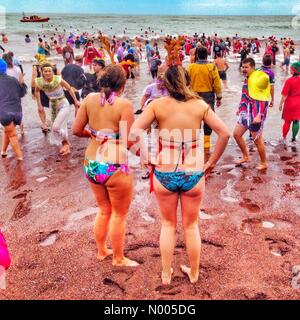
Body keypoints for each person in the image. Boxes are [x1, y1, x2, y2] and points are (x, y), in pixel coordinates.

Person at [130, 65, 230, 284]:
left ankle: (166, 274)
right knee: (191, 225)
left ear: (165, 83)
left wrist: (145, 155)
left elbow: (134, 131)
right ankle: (193, 274)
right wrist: (211, 162)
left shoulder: (157, 105)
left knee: (168, 225)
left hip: (164, 174)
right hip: (193, 174)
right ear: (188, 81)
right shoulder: (200, 106)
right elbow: (224, 133)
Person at [72, 65, 139, 268]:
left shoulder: (89, 99)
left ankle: (101, 251)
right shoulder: (124, 105)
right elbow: (127, 142)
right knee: (119, 215)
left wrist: (94, 134)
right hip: (113, 166)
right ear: (123, 83)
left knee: (103, 210)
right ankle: (118, 258)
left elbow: (76, 130)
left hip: (92, 164)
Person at [233, 58, 270, 170]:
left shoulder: (258, 79)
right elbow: (244, 95)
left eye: (246, 67)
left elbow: (264, 98)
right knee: (236, 134)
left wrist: (259, 115)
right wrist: (240, 108)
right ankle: (245, 156)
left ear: (253, 68)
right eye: (243, 67)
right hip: (245, 113)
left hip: (255, 113)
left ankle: (264, 163)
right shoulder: (248, 78)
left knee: (257, 139)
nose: (244, 69)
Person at [35, 63, 80, 155]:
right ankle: (65, 144)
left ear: (52, 71)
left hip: (63, 103)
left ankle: (66, 141)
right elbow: (36, 91)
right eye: (45, 71)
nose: (47, 73)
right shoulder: (39, 82)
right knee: (55, 127)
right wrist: (39, 104)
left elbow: (69, 89)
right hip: (52, 104)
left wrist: (76, 101)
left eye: (49, 71)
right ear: (42, 72)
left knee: (56, 127)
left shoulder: (59, 80)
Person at [188, 47, 222, 149]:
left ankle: (195, 141)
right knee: (208, 118)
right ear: (207, 55)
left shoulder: (191, 67)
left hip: (194, 96)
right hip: (208, 96)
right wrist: (219, 97)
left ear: (197, 55)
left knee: (194, 118)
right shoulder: (212, 67)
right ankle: (206, 142)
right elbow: (217, 83)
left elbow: (186, 82)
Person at [0, 59, 27, 160]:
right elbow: (22, 93)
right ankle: (3, 151)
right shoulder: (13, 80)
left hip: (4, 111)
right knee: (9, 131)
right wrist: (22, 83)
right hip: (17, 111)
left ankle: (20, 157)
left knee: (12, 134)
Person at [279, 62, 300, 143]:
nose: (290, 70)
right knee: (296, 121)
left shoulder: (289, 81)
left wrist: (280, 104)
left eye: (291, 69)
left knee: (287, 121)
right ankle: (294, 138)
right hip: (299, 103)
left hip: (290, 103)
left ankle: (284, 138)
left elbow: (284, 95)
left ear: (294, 71)